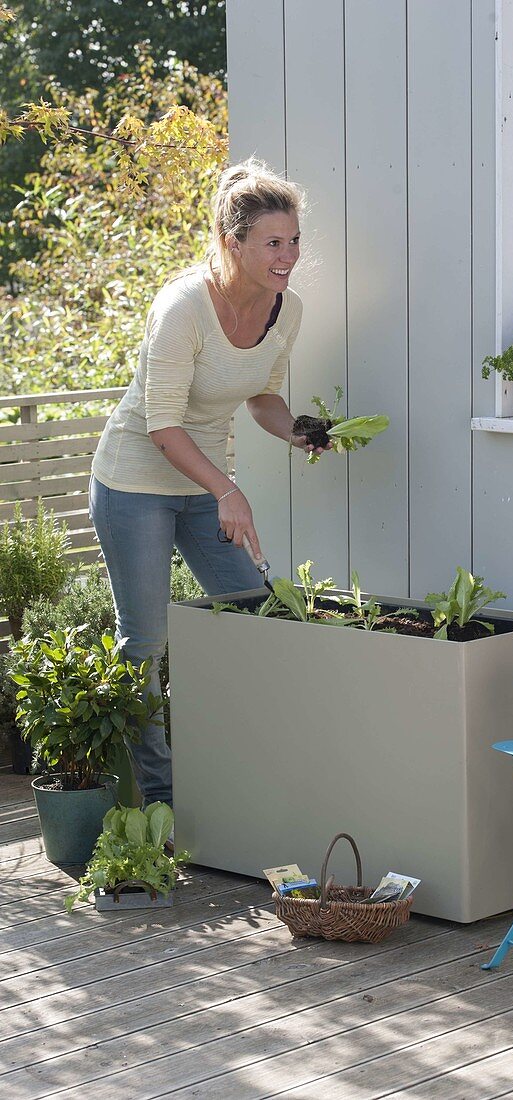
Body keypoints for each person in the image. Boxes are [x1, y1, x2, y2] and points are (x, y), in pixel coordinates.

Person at [89, 157, 328, 809]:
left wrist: (302, 432)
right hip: (135, 480)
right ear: (234, 243)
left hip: (204, 482)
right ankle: (161, 791)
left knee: (252, 615)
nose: (288, 256)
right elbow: (162, 425)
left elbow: (263, 399)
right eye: (273, 243)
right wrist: (227, 488)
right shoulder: (182, 308)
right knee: (145, 641)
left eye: (294, 241)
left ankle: (236, 765)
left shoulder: (287, 311)